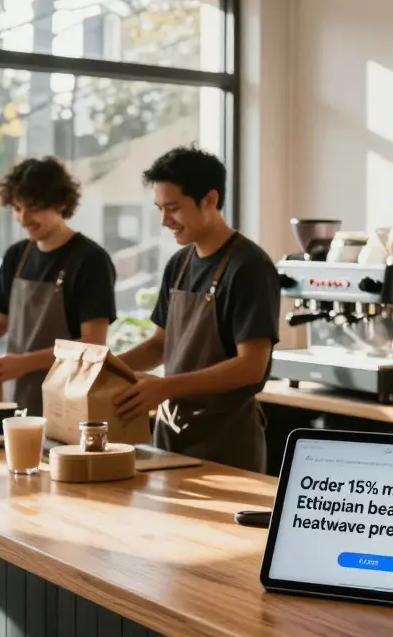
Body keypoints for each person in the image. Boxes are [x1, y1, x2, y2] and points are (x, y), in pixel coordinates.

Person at [112, 146, 280, 474]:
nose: (164, 221)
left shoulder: (250, 267)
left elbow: (251, 367)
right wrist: (100, 368)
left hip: (227, 442)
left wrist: (167, 386)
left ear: (210, 199)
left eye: (173, 208)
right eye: (160, 208)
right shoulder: (179, 263)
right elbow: (160, 345)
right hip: (170, 436)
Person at [0, 157, 117, 416]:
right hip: (15, 398)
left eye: (34, 207)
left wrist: (23, 363)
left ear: (60, 203)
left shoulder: (90, 260)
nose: (23, 218)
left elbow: (92, 344)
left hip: (69, 400)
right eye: (16, 208)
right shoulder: (17, 256)